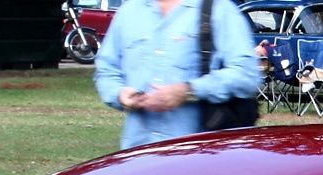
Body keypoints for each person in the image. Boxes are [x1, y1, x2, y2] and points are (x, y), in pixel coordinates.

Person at [94, 0, 260, 151]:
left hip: (197, 156)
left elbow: (247, 74)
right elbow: (106, 70)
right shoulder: (129, 12)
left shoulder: (219, 9)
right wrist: (120, 94)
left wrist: (188, 90)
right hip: (136, 154)